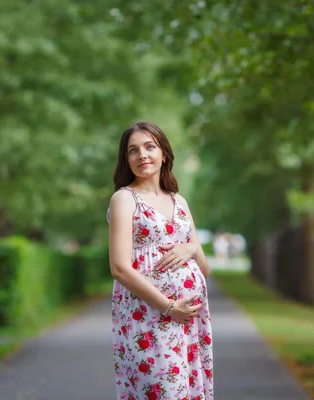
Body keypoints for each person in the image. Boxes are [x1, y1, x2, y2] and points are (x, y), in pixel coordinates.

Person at [107, 121, 214, 400]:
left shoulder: (179, 201)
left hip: (188, 321)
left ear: (163, 153)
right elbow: (119, 268)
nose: (142, 155)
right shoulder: (124, 199)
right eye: (133, 150)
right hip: (147, 317)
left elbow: (204, 268)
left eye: (149, 147)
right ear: (126, 159)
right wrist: (168, 307)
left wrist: (190, 249)